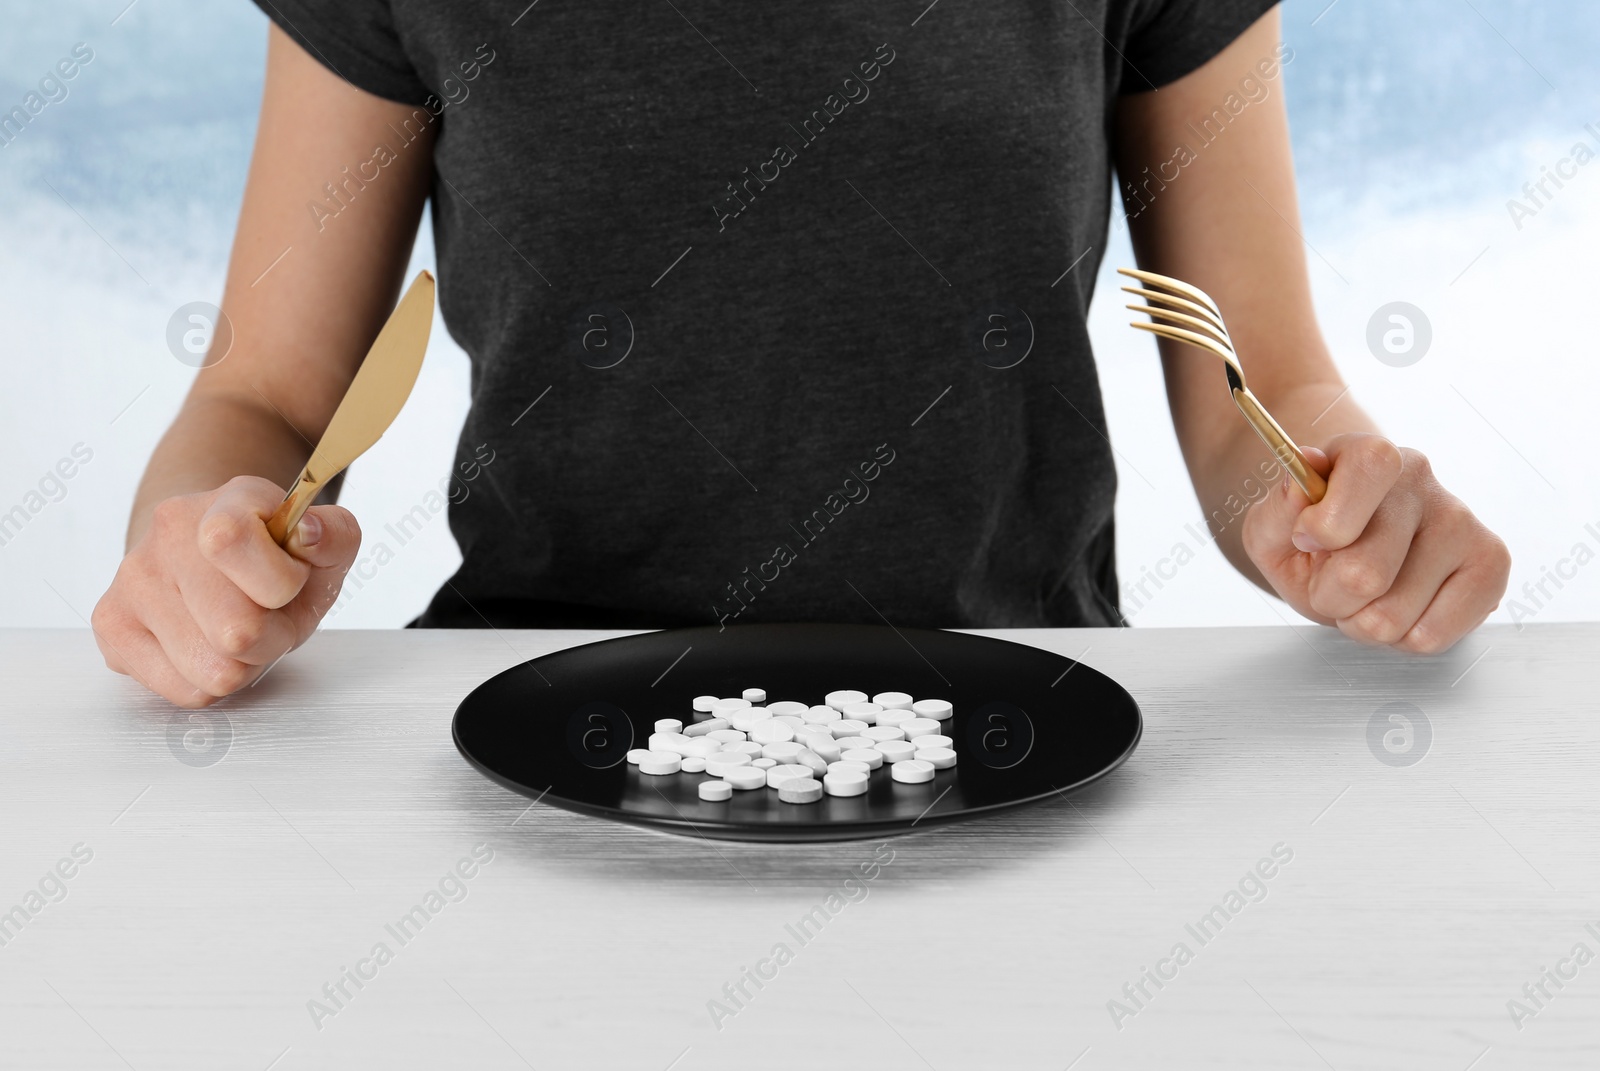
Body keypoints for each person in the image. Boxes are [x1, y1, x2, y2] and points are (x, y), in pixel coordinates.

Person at [92, 1, 1510, 707]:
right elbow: (262, 396)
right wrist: (195, 546)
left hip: (1026, 735)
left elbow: (1256, 371)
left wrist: (1333, 504)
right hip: (534, 742)